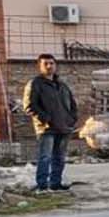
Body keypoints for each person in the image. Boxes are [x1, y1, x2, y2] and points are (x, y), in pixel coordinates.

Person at [21, 53, 78, 192]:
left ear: (55, 65)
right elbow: (29, 106)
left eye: (51, 63)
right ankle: (42, 186)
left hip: (63, 127)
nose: (49, 66)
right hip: (46, 128)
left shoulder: (62, 85)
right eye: (45, 63)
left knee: (59, 158)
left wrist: (71, 119)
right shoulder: (35, 84)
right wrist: (45, 119)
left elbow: (72, 104)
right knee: (45, 157)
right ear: (39, 66)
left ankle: (55, 184)